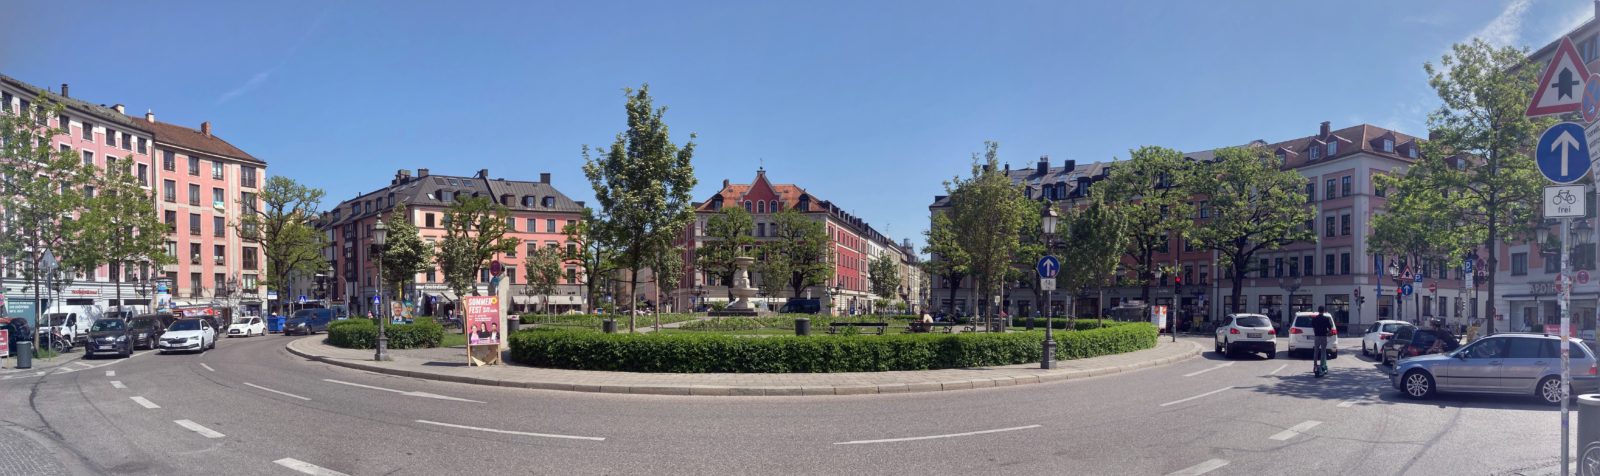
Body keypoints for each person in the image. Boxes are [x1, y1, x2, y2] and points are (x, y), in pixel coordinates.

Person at [1311, 306, 1335, 374]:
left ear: (1318, 310)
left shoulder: (1314, 319)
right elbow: (1330, 328)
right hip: (1323, 336)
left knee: (1316, 351)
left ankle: (1315, 365)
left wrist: (1316, 332)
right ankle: (1322, 366)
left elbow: (1313, 327)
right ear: (1323, 311)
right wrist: (1328, 332)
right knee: (1323, 352)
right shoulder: (1326, 319)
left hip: (1317, 337)